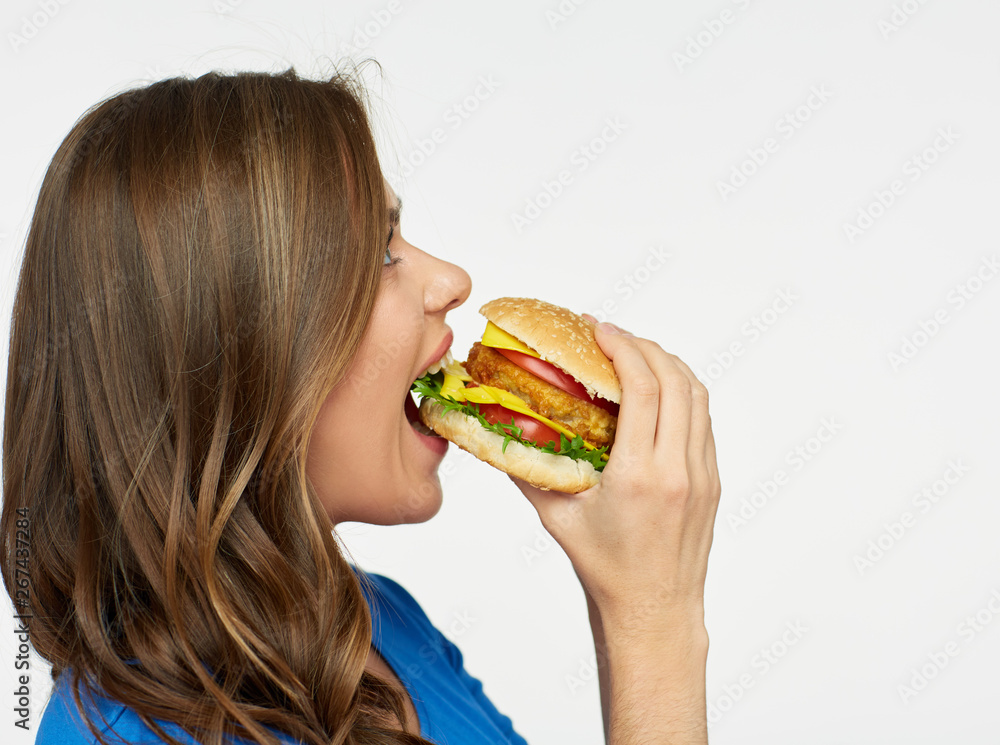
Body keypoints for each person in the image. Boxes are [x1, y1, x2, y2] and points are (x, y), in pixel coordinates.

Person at [0, 65, 721, 745]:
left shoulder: (383, 623)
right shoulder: (127, 732)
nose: (452, 279)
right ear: (237, 348)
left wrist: (619, 595)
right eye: (379, 253)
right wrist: (655, 627)